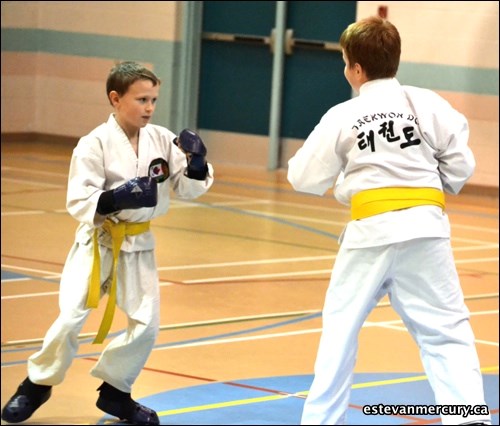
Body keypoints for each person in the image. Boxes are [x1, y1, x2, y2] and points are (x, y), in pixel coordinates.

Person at [287, 16, 491, 426]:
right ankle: (469, 419)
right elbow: (460, 165)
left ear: (355, 69)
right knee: (447, 331)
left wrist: (346, 180)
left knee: (340, 333)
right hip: (426, 230)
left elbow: (303, 178)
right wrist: (434, 178)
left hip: (370, 234)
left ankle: (321, 421)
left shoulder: (344, 115)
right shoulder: (427, 103)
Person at [1, 61, 214, 425]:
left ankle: (116, 392)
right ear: (115, 98)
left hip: (139, 245)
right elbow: (78, 200)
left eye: (153, 100)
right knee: (70, 318)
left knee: (146, 324)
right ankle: (36, 384)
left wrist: (196, 164)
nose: (149, 107)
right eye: (141, 99)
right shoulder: (93, 144)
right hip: (97, 242)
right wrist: (116, 199)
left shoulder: (162, 139)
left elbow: (189, 189)